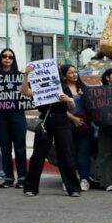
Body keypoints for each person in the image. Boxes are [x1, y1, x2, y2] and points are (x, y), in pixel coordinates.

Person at [20, 62, 82, 197]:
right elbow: (25, 92)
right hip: (45, 121)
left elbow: (71, 107)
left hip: (62, 122)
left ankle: (73, 188)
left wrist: (69, 100)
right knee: (38, 155)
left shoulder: (63, 88)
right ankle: (30, 187)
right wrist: (26, 75)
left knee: (66, 154)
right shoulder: (39, 87)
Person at [0, 48, 28, 188]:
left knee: (20, 147)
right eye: (4, 56)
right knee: (5, 148)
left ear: (13, 60)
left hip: (17, 114)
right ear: (0, 59)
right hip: (0, 115)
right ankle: (8, 177)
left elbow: (27, 93)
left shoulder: (20, 76)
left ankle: (22, 176)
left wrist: (28, 76)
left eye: (10, 57)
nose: (7, 59)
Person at [62, 64, 92, 191]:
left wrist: (84, 96)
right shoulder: (61, 90)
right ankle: (70, 180)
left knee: (83, 154)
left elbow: (92, 106)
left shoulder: (84, 88)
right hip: (67, 125)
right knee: (70, 154)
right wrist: (73, 119)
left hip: (83, 126)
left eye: (76, 72)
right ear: (64, 76)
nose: (74, 74)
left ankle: (84, 179)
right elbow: (59, 108)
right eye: (71, 73)